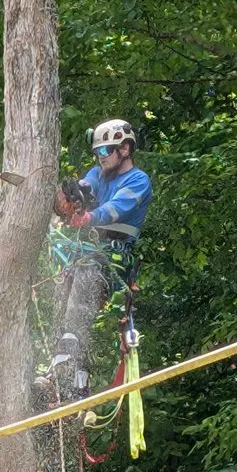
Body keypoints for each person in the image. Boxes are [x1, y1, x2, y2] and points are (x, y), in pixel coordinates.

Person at [43, 119, 152, 399]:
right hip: (82, 258)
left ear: (125, 148)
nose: (100, 158)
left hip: (112, 261)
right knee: (64, 302)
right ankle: (74, 381)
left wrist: (89, 217)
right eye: (98, 153)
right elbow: (86, 187)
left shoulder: (138, 180)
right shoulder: (96, 173)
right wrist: (70, 198)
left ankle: (64, 367)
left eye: (106, 152)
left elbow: (116, 208)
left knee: (84, 282)